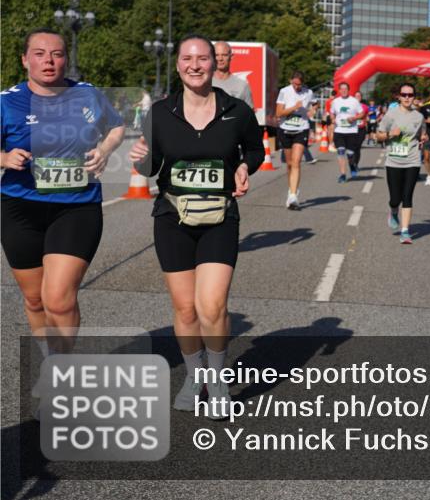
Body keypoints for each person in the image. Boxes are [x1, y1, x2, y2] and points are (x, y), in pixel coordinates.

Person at [128, 34, 263, 418]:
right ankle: (194, 376)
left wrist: (244, 166)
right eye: (187, 59)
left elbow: (256, 149)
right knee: (186, 310)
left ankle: (216, 381)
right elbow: (150, 167)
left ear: (214, 64)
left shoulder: (236, 110)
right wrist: (139, 158)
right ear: (177, 65)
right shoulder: (160, 112)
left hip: (220, 217)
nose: (195, 65)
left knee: (213, 305)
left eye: (202, 58)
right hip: (172, 218)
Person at [1, 29, 125, 364]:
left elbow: (116, 126)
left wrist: (104, 150)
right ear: (25, 60)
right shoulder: (7, 101)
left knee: (58, 299)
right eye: (40, 54)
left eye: (57, 54)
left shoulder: (87, 94)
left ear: (66, 60)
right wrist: (4, 157)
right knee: (35, 300)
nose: (49, 61)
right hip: (20, 207)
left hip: (76, 207)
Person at [375, 82, 427, 244]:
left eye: (410, 95)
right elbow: (378, 136)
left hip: (412, 160)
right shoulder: (390, 115)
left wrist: (423, 138)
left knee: (407, 196)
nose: (407, 98)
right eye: (404, 94)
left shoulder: (418, 117)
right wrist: (390, 134)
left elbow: (422, 132)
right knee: (395, 198)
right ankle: (393, 210)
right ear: (399, 96)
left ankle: (405, 231)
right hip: (394, 161)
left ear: (414, 97)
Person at [275, 71, 314, 208]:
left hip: (301, 129)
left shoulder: (308, 93)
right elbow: (279, 113)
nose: (297, 87)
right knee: (290, 164)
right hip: (285, 129)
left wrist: (312, 110)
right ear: (290, 80)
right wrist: (294, 108)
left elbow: (314, 104)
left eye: (299, 85)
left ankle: (293, 196)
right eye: (295, 84)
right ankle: (291, 189)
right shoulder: (284, 91)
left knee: (296, 162)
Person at [326, 82, 364, 183]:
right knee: (341, 151)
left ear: (348, 90)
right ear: (339, 90)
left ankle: (352, 165)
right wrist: (333, 119)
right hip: (339, 131)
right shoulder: (335, 101)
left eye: (345, 89)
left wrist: (354, 118)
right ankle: (343, 174)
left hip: (351, 131)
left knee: (350, 153)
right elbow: (332, 112)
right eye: (342, 89)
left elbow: (362, 113)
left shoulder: (354, 101)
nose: (343, 91)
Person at [212, 41, 255, 110]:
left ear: (231, 57)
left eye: (224, 55)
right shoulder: (204, 83)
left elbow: (250, 113)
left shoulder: (242, 86)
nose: (220, 59)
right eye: (216, 55)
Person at [349, 92, 368, 176]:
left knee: (357, 147)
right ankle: (352, 162)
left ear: (361, 97)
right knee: (352, 147)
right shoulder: (350, 106)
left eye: (359, 96)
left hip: (361, 129)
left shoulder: (365, 107)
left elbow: (366, 117)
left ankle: (355, 163)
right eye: (356, 96)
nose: (358, 97)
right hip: (352, 128)